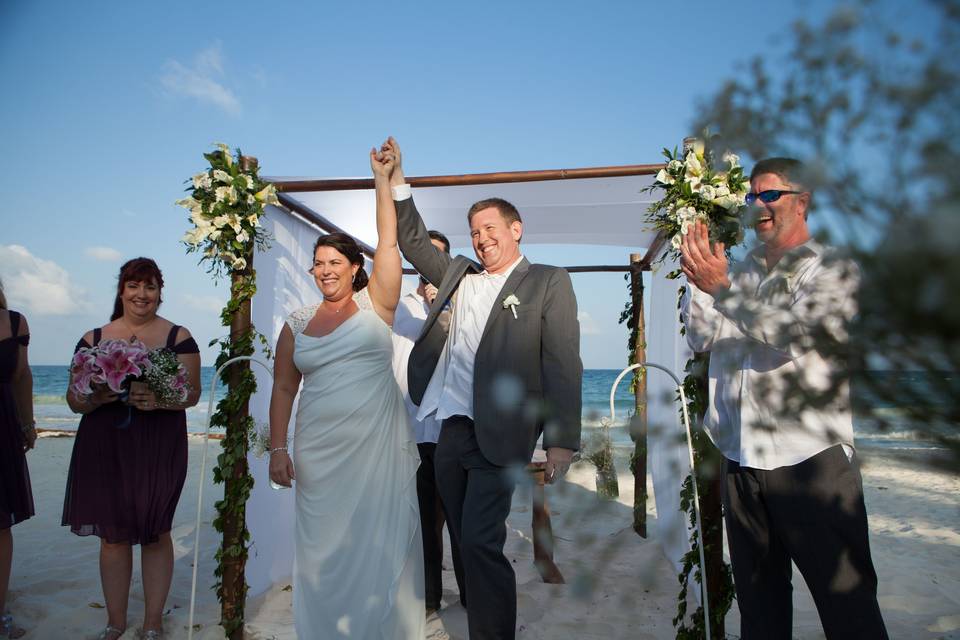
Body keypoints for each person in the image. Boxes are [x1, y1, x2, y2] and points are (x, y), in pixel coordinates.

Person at [679, 157, 887, 639]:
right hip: (740, 459)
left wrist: (723, 289)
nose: (759, 206)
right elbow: (701, 338)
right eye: (752, 197)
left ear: (802, 201)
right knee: (760, 609)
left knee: (848, 608)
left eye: (770, 195)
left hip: (810, 463)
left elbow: (795, 336)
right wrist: (701, 284)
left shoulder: (832, 267)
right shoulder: (738, 267)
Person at [386, 137, 582, 639]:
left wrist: (559, 439)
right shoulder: (459, 277)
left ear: (516, 230)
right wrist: (398, 180)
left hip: (502, 434)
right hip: (451, 433)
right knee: (463, 536)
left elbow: (561, 361)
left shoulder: (547, 281)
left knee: (478, 540)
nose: (480, 239)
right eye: (474, 232)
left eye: (489, 228)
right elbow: (411, 242)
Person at [267, 146, 425, 638]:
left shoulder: (376, 302)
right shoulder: (296, 322)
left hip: (375, 451)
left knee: (374, 542)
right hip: (317, 450)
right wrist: (277, 447)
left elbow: (389, 242)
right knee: (321, 549)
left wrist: (382, 180)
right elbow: (283, 387)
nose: (325, 269)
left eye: (335, 261)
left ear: (356, 267)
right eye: (318, 263)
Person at [62, 258, 202, 640]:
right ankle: (115, 622)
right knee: (113, 536)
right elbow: (74, 400)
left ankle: (153, 622)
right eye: (134, 286)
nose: (142, 295)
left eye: (151, 287)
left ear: (160, 292)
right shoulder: (93, 339)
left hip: (159, 444)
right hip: (105, 442)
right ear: (121, 290)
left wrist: (158, 399)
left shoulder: (179, 337)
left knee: (156, 531)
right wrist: (96, 395)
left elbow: (191, 395)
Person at [390, 229, 466, 616]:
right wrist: (441, 309)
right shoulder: (403, 304)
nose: (427, 270)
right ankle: (430, 597)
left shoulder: (466, 302)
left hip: (454, 428)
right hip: (414, 430)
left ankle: (470, 593)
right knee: (423, 520)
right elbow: (421, 334)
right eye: (422, 264)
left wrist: (452, 305)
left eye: (436, 260)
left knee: (460, 517)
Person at [0, 281, 36, 640]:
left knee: (0, 524)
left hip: (2, 428)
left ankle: (0, 614)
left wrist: (28, 423)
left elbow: (21, 377)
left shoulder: (14, 322)